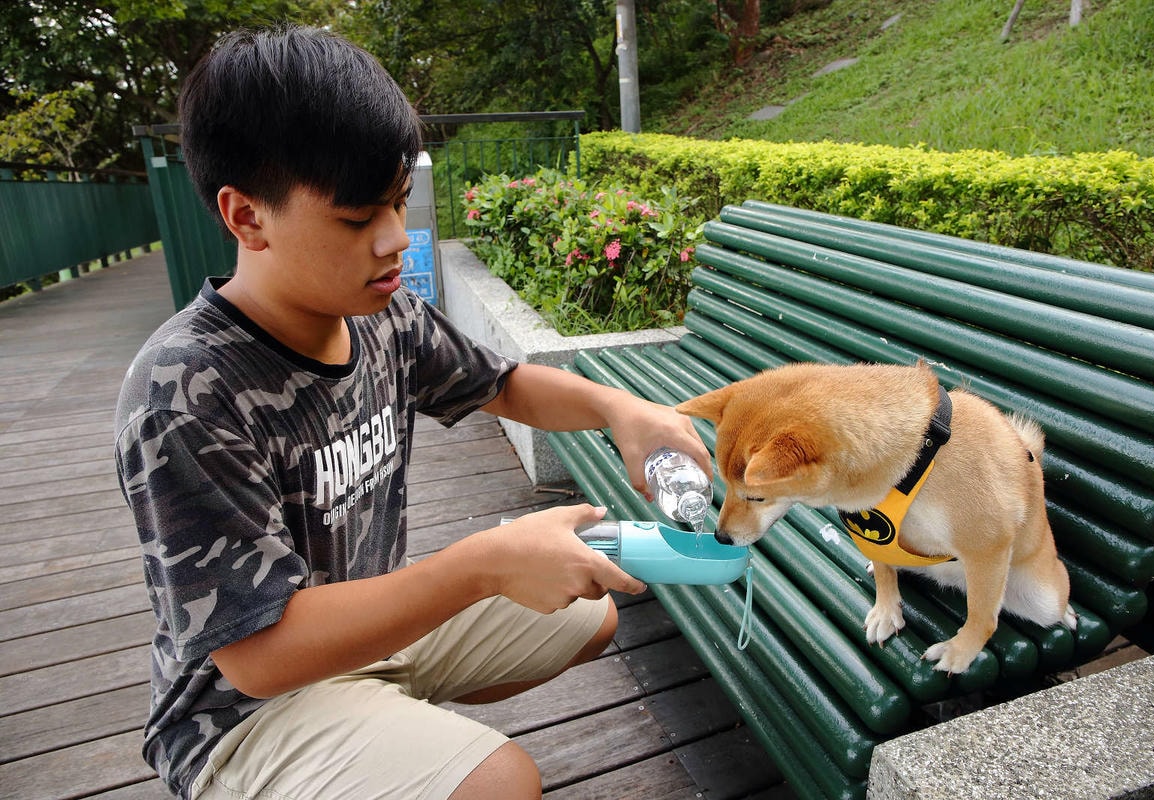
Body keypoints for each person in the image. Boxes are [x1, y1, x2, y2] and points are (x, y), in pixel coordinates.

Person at [113, 25, 710, 800]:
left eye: (398, 203)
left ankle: (382, 728)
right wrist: (486, 564)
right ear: (246, 217)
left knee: (587, 611)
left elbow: (504, 383)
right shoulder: (185, 392)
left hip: (365, 637)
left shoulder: (377, 314)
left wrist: (621, 409)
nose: (396, 241)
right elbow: (258, 656)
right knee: (500, 784)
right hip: (243, 712)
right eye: (359, 220)